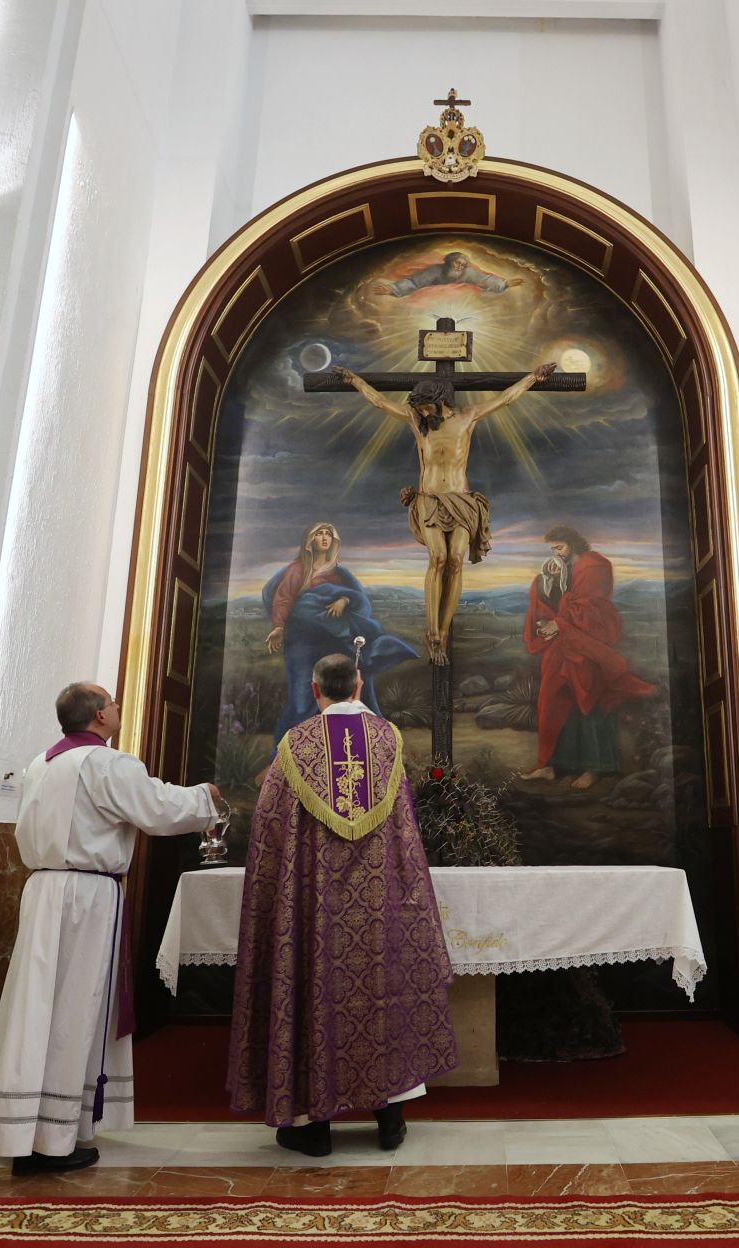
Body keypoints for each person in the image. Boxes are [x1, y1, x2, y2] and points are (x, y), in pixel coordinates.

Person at [0, 683, 222, 1174]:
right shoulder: (107, 763)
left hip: (45, 892)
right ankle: (53, 1140)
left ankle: (29, 1126)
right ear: (97, 716)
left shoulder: (41, 763)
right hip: (84, 901)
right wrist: (206, 798)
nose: (117, 707)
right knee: (74, 1007)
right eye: (111, 702)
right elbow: (155, 807)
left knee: (36, 1006)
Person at [228, 654, 457, 1157]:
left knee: (314, 990)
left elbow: (269, 829)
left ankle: (312, 1128)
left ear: (315, 691)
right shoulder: (389, 741)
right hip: (380, 905)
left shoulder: (294, 746)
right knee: (384, 991)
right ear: (358, 685)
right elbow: (404, 828)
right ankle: (390, 1119)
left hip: (311, 908)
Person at [335, 358, 557, 664]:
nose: (423, 411)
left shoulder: (468, 418)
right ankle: (433, 633)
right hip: (429, 500)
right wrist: (353, 380)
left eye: (427, 406)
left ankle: (445, 631)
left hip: (461, 501)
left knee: (455, 561)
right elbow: (380, 402)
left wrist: (534, 376)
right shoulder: (417, 422)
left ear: (441, 401)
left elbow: (506, 398)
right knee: (438, 557)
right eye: (420, 407)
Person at [519, 525, 655, 789]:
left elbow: (591, 607)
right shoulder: (563, 569)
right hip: (564, 648)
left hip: (589, 646)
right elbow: (562, 601)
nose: (556, 553)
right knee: (556, 702)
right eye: (553, 549)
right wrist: (547, 585)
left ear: (572, 544)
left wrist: (560, 623)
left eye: (559, 547)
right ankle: (552, 766)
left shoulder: (595, 566)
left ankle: (596, 768)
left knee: (591, 700)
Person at [261, 521, 416, 747]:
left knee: (344, 691)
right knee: (303, 698)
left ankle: (347, 746)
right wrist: (278, 626)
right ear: (309, 541)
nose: (324, 538)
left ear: (333, 541)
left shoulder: (340, 573)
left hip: (333, 640)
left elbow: (360, 600)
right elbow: (284, 599)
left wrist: (344, 599)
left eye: (328, 535)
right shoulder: (298, 570)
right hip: (303, 642)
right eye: (319, 534)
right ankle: (289, 753)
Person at [375, 250, 524, 297]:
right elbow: (413, 282)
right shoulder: (434, 271)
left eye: (463, 265)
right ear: (449, 262)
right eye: (457, 263)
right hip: (430, 303)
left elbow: (485, 280)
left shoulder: (468, 273)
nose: (460, 267)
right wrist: (392, 289)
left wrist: (505, 283)